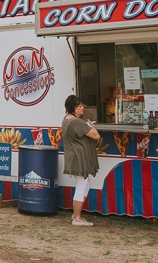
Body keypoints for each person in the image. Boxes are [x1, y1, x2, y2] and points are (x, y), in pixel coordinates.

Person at [62, 94, 100, 226]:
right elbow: (96, 135)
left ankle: (75, 214)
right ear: (73, 108)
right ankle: (77, 218)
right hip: (79, 158)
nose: (82, 108)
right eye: (79, 106)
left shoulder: (66, 119)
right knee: (82, 185)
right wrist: (89, 125)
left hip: (73, 156)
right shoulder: (77, 122)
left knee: (86, 183)